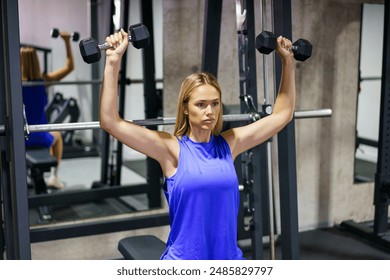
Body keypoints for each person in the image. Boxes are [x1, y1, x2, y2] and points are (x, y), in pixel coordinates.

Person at [99, 29, 295, 260]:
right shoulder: (171, 149)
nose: (210, 111)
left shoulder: (229, 144)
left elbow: (283, 115)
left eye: (215, 104)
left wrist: (288, 62)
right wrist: (113, 62)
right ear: (185, 107)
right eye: (201, 104)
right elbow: (110, 121)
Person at [20, 31, 74, 189]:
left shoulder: (12, 85)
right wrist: (66, 41)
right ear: (36, 62)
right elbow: (69, 67)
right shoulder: (43, 81)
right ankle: (54, 177)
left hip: (20, 138)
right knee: (57, 135)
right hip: (41, 136)